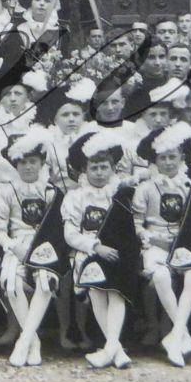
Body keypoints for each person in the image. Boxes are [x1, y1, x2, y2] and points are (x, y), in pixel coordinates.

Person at [132, 122, 191, 366]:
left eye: (172, 157)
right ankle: (182, 335)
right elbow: (136, 223)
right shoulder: (146, 188)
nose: (168, 163)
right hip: (154, 244)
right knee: (162, 276)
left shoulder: (190, 188)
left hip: (182, 243)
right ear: (155, 161)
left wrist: (181, 241)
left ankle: (175, 334)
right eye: (163, 158)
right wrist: (149, 237)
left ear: (181, 158)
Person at [62, 131, 140, 369]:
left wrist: (114, 249)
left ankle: (109, 348)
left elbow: (130, 228)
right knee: (97, 287)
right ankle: (115, 350)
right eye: (93, 168)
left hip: (116, 253)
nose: (99, 173)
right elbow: (71, 234)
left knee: (115, 291)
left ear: (113, 168)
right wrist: (96, 246)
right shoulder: (75, 197)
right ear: (84, 170)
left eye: (104, 167)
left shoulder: (119, 195)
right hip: (88, 253)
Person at [0, 127, 68, 367]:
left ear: (41, 162)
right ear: (15, 164)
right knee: (13, 285)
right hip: (17, 244)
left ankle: (23, 341)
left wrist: (43, 248)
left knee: (46, 283)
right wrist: (13, 247)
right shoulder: (7, 191)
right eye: (22, 162)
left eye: (33, 161)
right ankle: (33, 342)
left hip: (43, 244)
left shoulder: (51, 192)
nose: (28, 167)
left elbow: (57, 229)